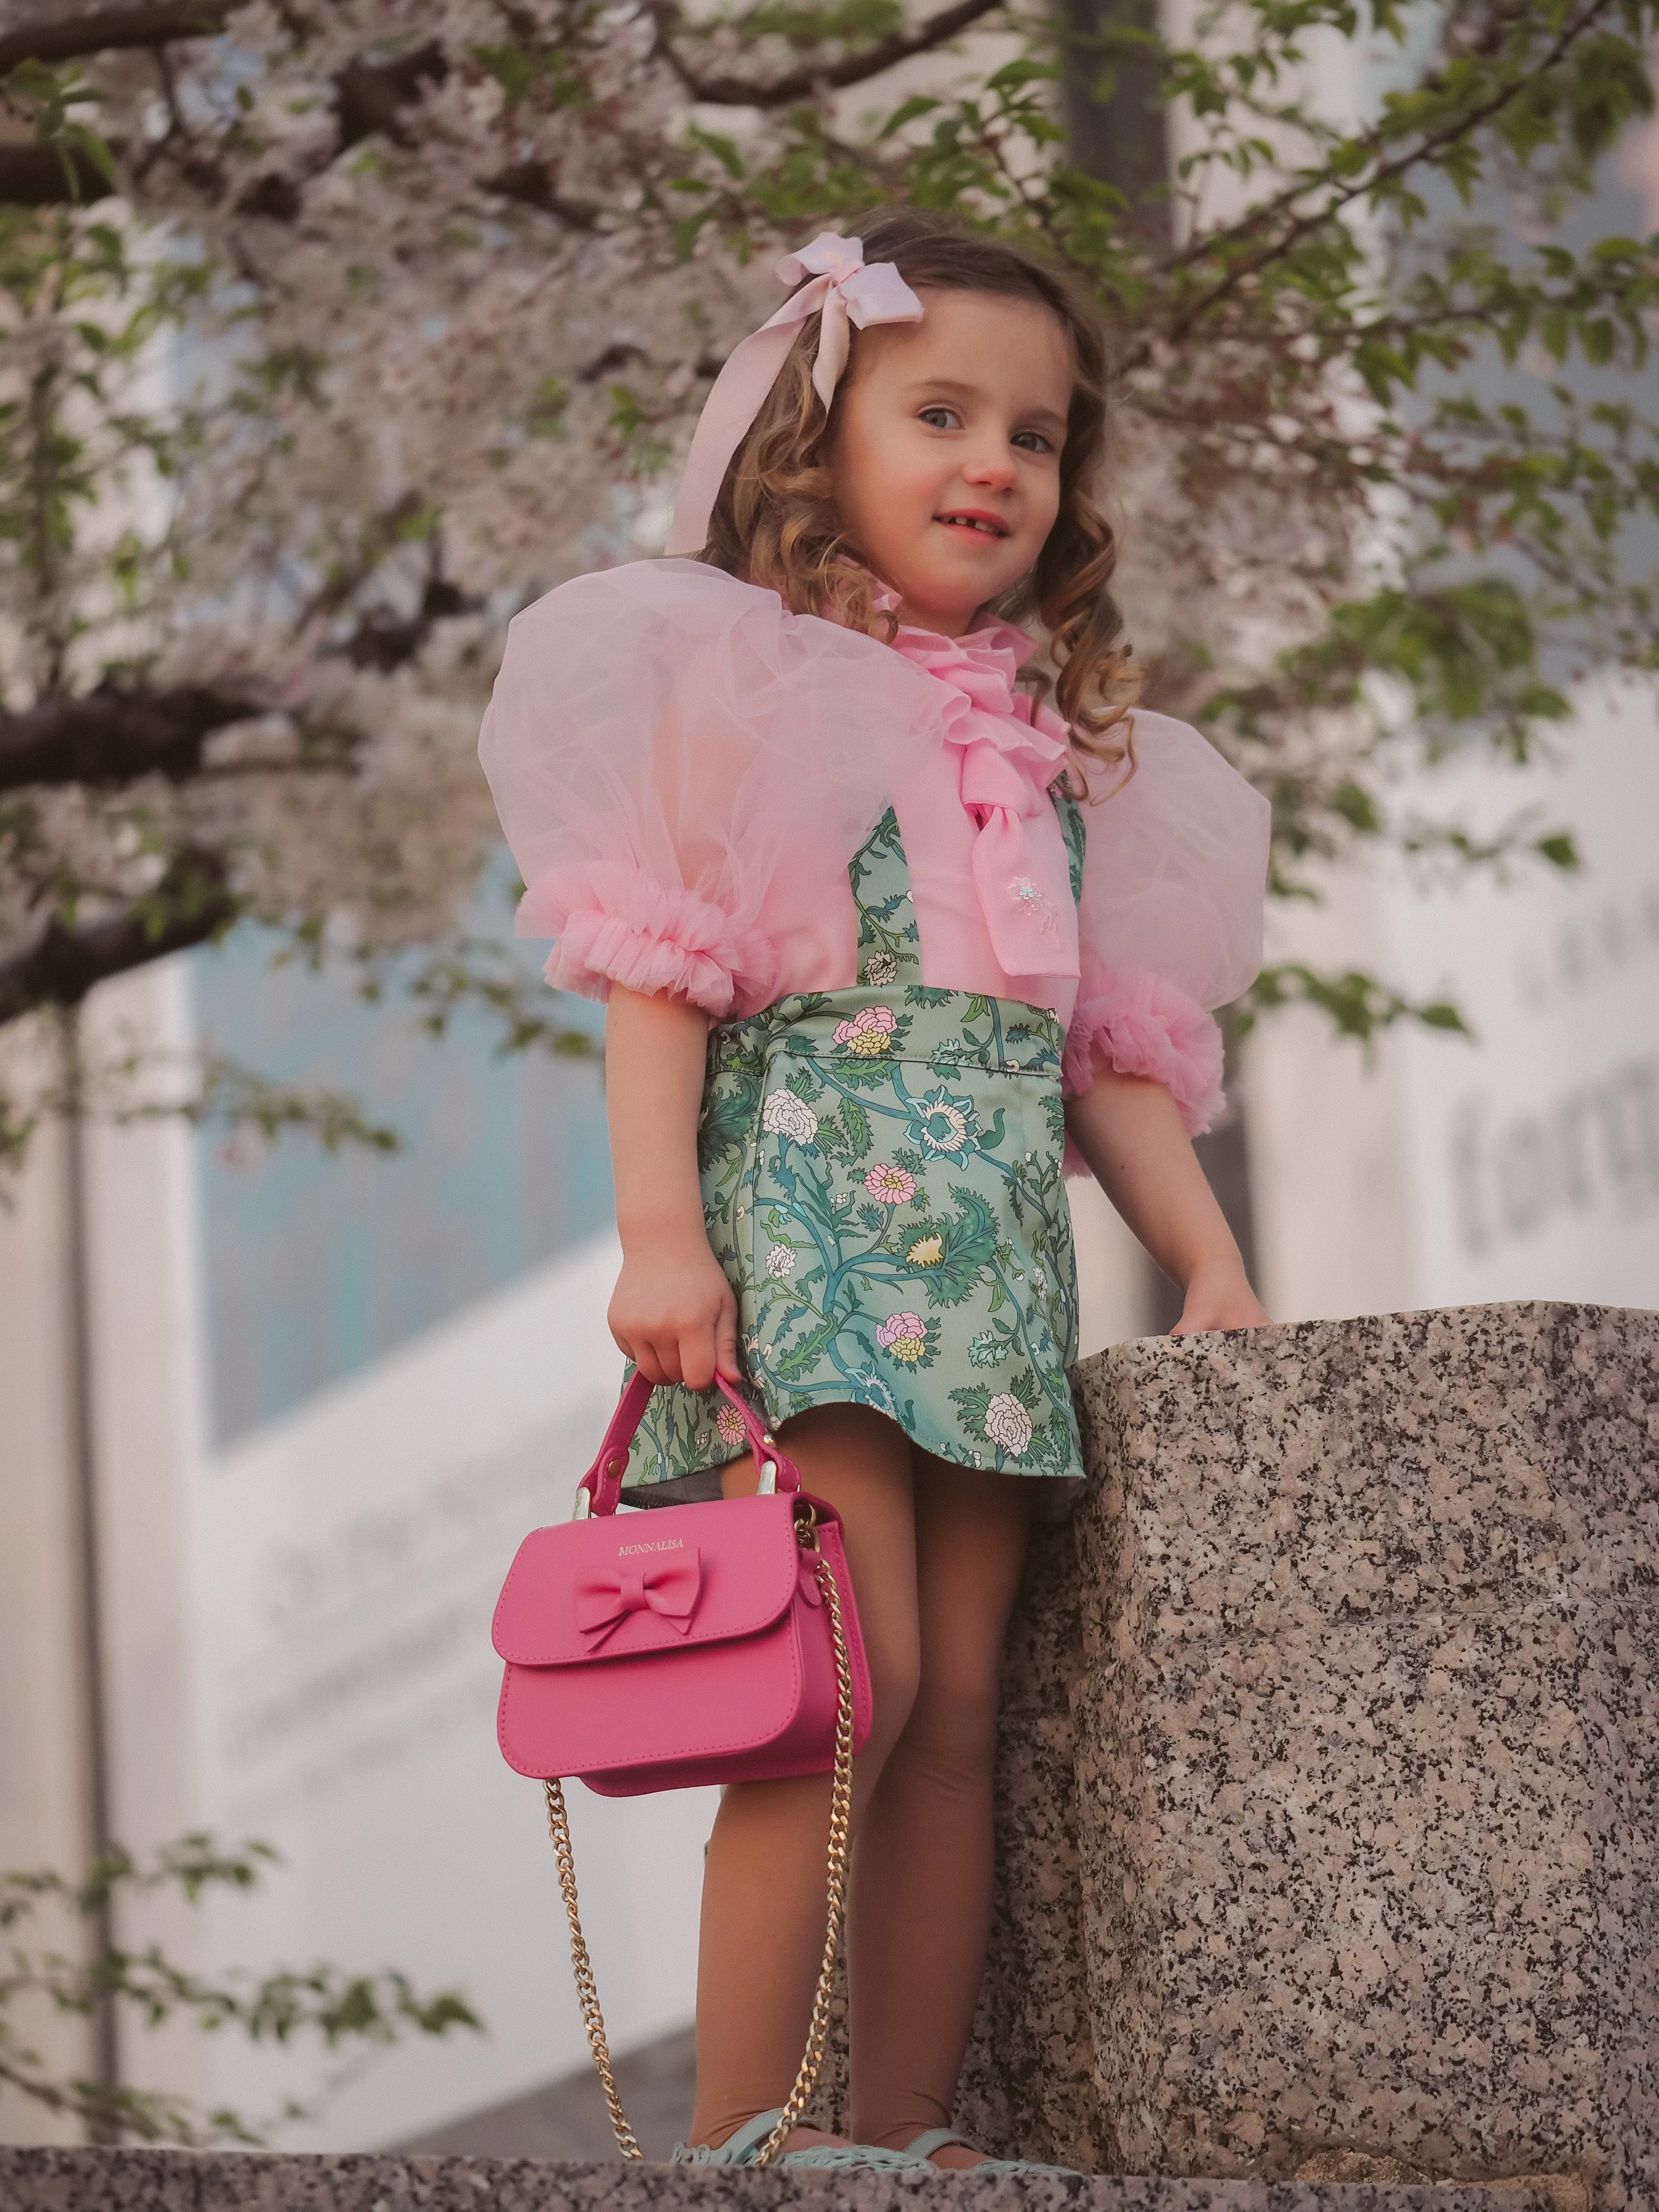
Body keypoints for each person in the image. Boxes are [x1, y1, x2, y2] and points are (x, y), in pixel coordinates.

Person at [479, 209, 1272, 2172]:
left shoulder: (1067, 751)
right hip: (817, 1233)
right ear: (816, 436)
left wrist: (1210, 1255)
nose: (995, 462)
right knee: (849, 1680)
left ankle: (906, 2144)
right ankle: (747, 2142)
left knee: (959, 1710)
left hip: (992, 1263)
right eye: (938, 413)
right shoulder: (748, 684)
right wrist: (661, 1237)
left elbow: (1105, 1050)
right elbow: (660, 974)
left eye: (1037, 430)